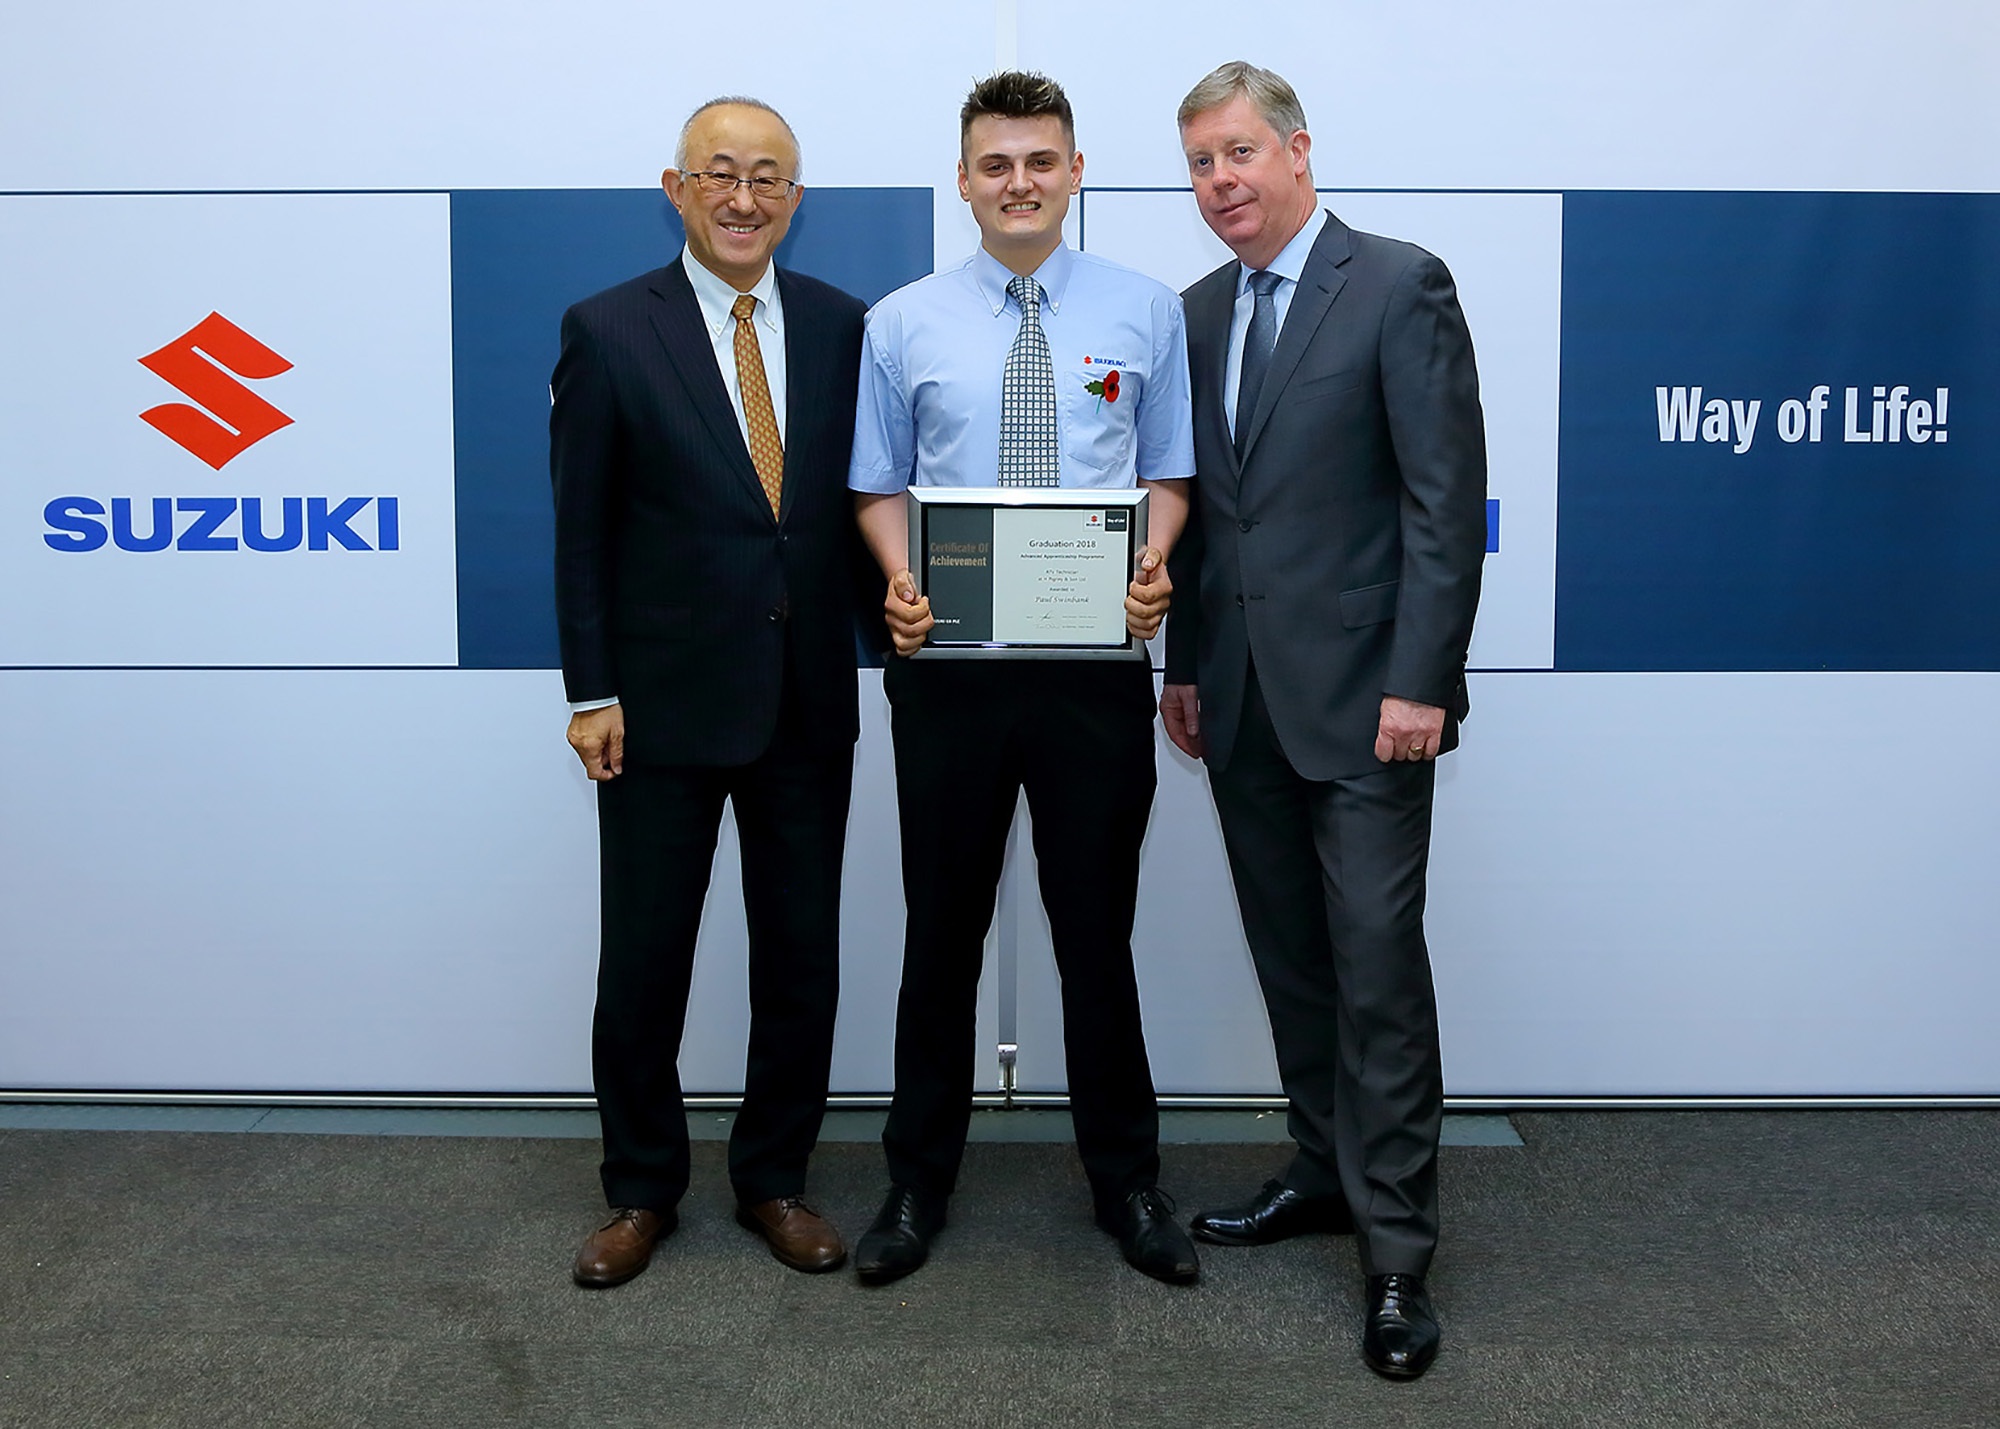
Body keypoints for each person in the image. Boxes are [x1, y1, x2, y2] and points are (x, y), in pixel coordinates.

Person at [847, 71, 1199, 1286]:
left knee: (1095, 934)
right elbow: (876, 485)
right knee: (940, 934)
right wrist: (899, 579)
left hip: (1092, 675)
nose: (1018, 182)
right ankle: (914, 1182)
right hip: (949, 674)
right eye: (994, 164)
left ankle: (1128, 1182)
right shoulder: (900, 322)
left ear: (1074, 171)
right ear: (962, 180)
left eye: (1039, 160)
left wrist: (1152, 565)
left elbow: (1167, 473)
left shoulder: (1145, 311)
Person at [1162, 62, 1487, 1377]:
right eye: (1199, 162)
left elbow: (1442, 503)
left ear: (1297, 151)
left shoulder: (1399, 284)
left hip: (1368, 705)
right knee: (1292, 960)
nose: (1219, 181)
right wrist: (1185, 667)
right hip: (1239, 701)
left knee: (1376, 973)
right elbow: (1204, 519)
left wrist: (1421, 680)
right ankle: (1320, 1168)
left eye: (1238, 152)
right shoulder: (1196, 312)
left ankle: (1397, 1252)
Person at [550, 97, 866, 1287]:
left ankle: (774, 1178)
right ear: (676, 189)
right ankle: (640, 1190)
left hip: (804, 702)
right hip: (659, 708)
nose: (744, 197)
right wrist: (592, 689)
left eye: (767, 177)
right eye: (719, 174)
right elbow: (579, 530)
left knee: (799, 960)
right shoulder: (606, 328)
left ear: (796, 198)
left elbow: (858, 505)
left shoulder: (842, 325)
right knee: (643, 963)